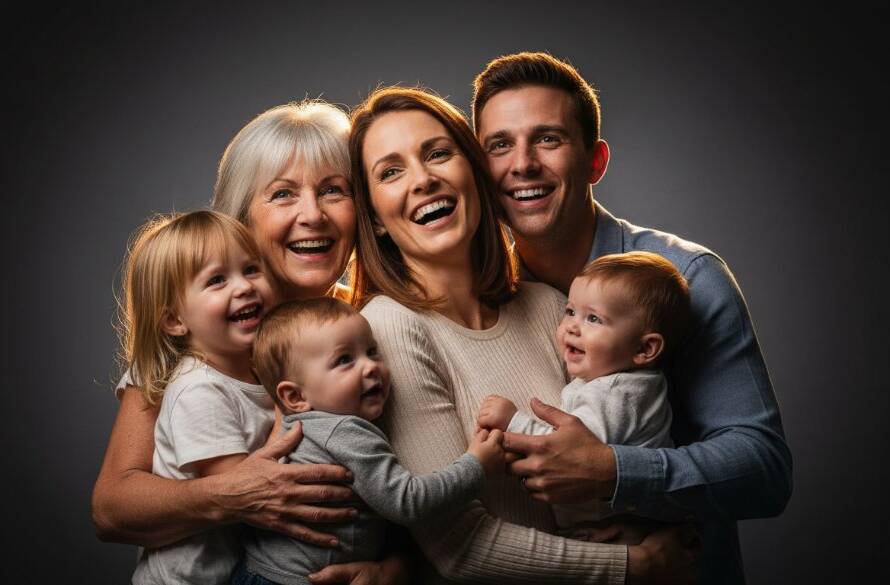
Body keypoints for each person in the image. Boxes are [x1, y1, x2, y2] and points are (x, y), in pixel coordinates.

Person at [349, 86, 699, 584]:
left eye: (437, 154)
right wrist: (632, 564)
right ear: (377, 220)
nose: (423, 180)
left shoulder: (550, 308)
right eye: (391, 171)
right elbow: (459, 548)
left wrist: (650, 523)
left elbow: (619, 439)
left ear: (473, 172)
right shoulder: (388, 326)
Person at [472, 51, 793, 583]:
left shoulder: (689, 278)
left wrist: (613, 472)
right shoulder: (481, 293)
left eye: (548, 139)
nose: (522, 164)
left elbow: (764, 471)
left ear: (594, 161)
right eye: (499, 145)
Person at [93, 101, 408, 584]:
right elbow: (112, 511)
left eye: (333, 191)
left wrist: (394, 570)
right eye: (283, 194)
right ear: (241, 218)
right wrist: (234, 495)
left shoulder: (372, 328)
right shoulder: (197, 345)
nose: (313, 214)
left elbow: (402, 485)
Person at [236, 297, 505, 584]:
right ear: (296, 397)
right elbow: (407, 501)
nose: (370, 367)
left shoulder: (303, 427)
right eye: (344, 360)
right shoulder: (345, 432)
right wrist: (476, 465)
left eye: (372, 351)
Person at [477, 251, 688, 534]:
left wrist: (513, 420)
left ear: (644, 349)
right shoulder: (633, 379)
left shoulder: (615, 394)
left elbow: (569, 454)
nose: (572, 327)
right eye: (570, 311)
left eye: (594, 319)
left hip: (615, 530)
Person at [118, 210, 275, 584]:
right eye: (217, 280)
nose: (244, 287)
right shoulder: (198, 389)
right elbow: (247, 491)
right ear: (174, 321)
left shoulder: (261, 370)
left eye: (251, 269)